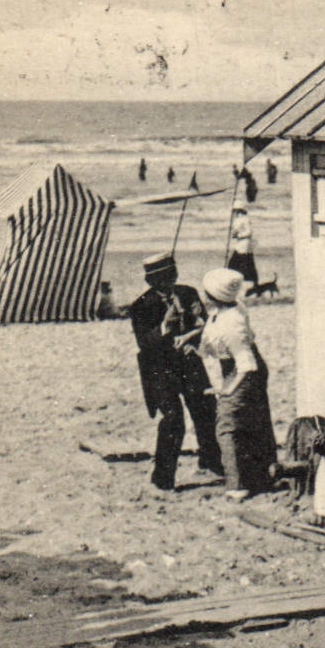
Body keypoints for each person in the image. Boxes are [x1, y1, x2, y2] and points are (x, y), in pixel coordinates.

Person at [129, 254, 223, 491]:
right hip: (160, 370)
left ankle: (211, 460)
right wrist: (164, 327)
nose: (170, 282)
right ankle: (162, 477)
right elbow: (145, 344)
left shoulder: (188, 293)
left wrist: (194, 340)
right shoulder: (141, 306)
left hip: (190, 364)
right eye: (163, 278)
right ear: (152, 281)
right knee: (173, 420)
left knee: (205, 410)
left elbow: (204, 326)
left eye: (172, 275)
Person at [197, 268, 277, 500]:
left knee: (228, 425)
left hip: (243, 371)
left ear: (213, 297)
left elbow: (246, 364)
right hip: (238, 368)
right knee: (253, 421)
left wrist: (227, 390)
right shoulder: (229, 309)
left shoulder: (229, 324)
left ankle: (237, 485)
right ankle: (261, 475)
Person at [226, 199, 258, 287]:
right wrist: (234, 234)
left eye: (235, 210)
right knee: (238, 263)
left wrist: (239, 235)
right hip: (240, 245)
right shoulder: (238, 220)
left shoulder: (245, 219)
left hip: (245, 245)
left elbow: (249, 232)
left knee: (243, 264)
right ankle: (251, 282)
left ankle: (251, 283)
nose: (234, 212)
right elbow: (236, 231)